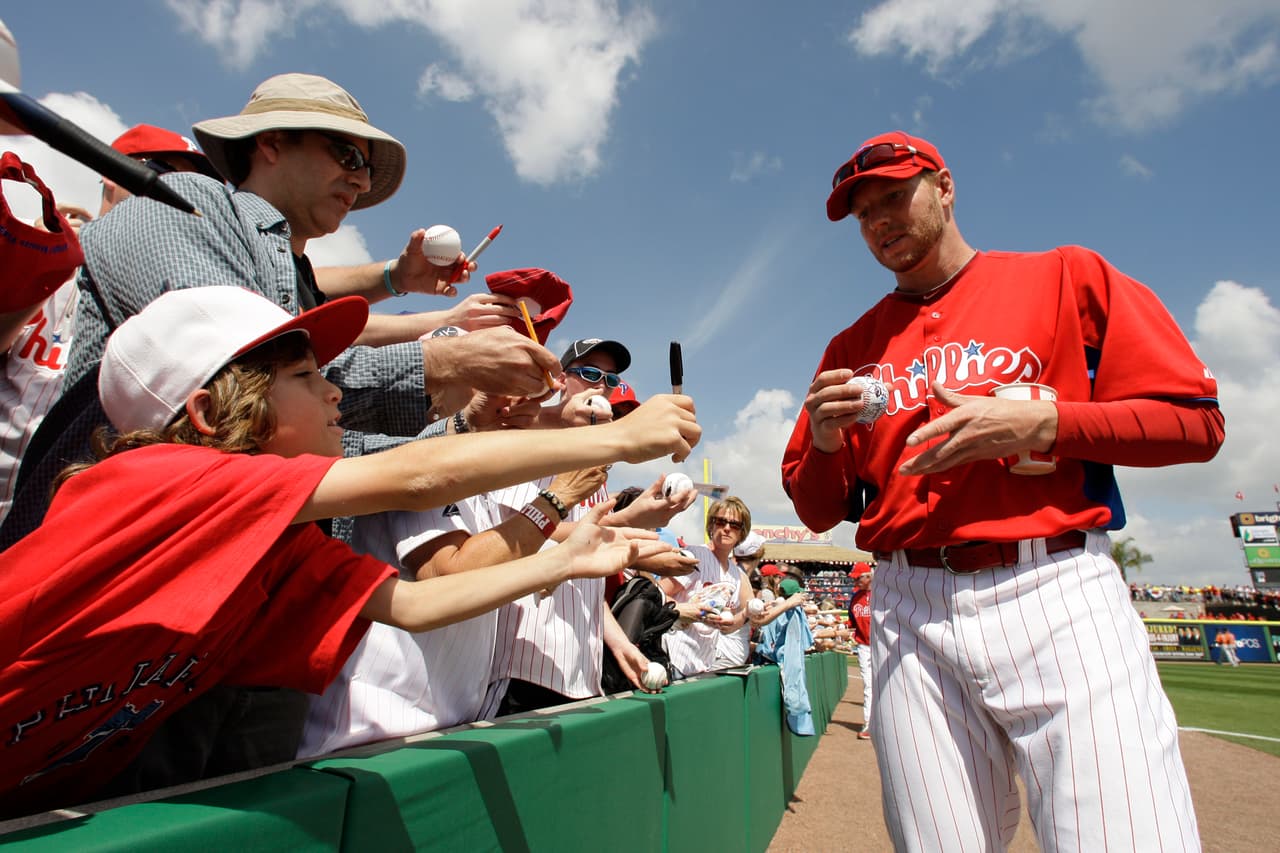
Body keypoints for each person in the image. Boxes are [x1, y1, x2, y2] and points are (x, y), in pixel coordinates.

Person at [0, 285, 700, 817]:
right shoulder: (155, 478)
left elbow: (419, 604)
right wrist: (616, 440)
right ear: (212, 412)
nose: (336, 389)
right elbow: (423, 472)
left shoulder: (285, 546)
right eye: (305, 376)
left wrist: (562, 560)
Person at [781, 130, 1222, 850]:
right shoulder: (850, 345)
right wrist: (826, 443)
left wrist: (1048, 422)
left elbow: (1196, 424)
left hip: (1052, 584)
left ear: (946, 186)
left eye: (895, 195)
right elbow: (815, 506)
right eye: (863, 214)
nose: (880, 220)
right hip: (905, 602)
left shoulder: (1063, 276)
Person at [0, 72, 560, 546]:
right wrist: (451, 361)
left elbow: (326, 445)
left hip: (206, 613)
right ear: (270, 142)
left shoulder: (297, 284)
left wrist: (463, 424)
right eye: (347, 155)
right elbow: (242, 382)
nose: (362, 180)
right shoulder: (183, 207)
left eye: (366, 168)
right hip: (93, 586)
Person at [1, 124, 222, 523]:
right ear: (111, 173)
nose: (175, 193)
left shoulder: (173, 294)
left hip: (55, 517)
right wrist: (43, 264)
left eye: (192, 185)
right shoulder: (42, 246)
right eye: (161, 173)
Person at [482, 337, 697, 715]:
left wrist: (619, 643)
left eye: (610, 379)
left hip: (579, 668)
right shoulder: (526, 443)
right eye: (590, 373)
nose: (601, 384)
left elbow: (585, 580)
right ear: (561, 380)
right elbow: (521, 531)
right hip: (520, 665)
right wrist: (630, 523)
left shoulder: (596, 471)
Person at [660, 496, 755, 676]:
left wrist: (738, 619)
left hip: (703, 662)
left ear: (742, 533)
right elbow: (657, 592)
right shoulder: (694, 555)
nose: (727, 528)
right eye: (721, 522)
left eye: (734, 525)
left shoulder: (736, 575)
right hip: (674, 655)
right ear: (711, 526)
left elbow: (729, 626)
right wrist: (681, 610)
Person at [846, 562, 873, 741]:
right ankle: (869, 724)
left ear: (868, 576)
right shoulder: (855, 598)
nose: (855, 581)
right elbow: (852, 624)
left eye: (858, 578)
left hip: (883, 646)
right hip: (864, 646)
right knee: (869, 685)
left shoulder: (883, 593)